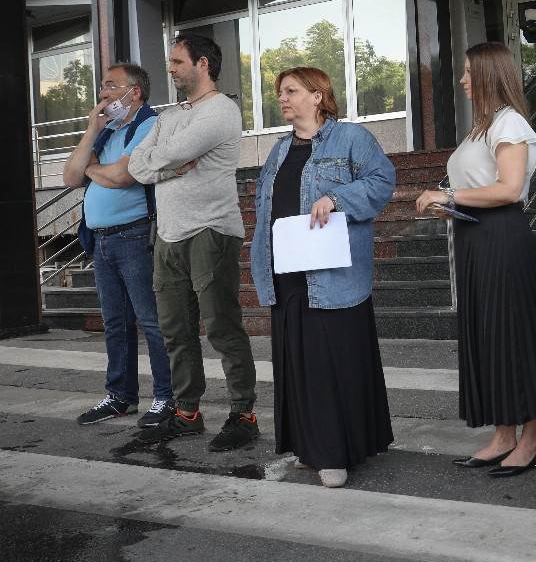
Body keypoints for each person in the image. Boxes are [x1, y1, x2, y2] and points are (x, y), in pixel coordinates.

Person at [416, 42, 536, 478]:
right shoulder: (481, 127)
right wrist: (452, 207)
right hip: (475, 238)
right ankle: (503, 436)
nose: (462, 79)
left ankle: (531, 441)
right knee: (489, 336)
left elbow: (509, 188)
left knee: (515, 336)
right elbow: (481, 188)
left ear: (487, 74)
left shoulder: (509, 122)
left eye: (468, 72)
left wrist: (448, 195)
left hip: (502, 238)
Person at [250, 67, 395, 488]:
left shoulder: (350, 139)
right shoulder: (278, 151)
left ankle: (336, 453)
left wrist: (337, 197)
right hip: (287, 273)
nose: (283, 98)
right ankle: (310, 448)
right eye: (280, 92)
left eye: (292, 91)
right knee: (297, 363)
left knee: (332, 362)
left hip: (332, 275)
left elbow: (383, 179)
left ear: (318, 95)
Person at [128, 33, 259, 451]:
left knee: (222, 326)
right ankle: (188, 413)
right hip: (168, 233)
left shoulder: (221, 111)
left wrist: (159, 161)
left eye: (177, 61)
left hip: (211, 231)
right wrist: (165, 168)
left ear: (202, 64)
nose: (170, 68)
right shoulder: (168, 115)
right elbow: (138, 164)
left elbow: (165, 154)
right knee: (175, 330)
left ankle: (243, 415)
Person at [62, 63, 173, 428]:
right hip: (102, 240)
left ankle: (166, 398)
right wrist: (92, 129)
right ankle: (120, 396)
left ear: (135, 92)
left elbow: (125, 175)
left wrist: (92, 170)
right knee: (115, 323)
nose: (103, 94)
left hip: (135, 235)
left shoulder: (149, 125)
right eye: (102, 88)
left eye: (111, 87)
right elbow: (69, 176)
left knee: (151, 321)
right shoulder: (106, 131)